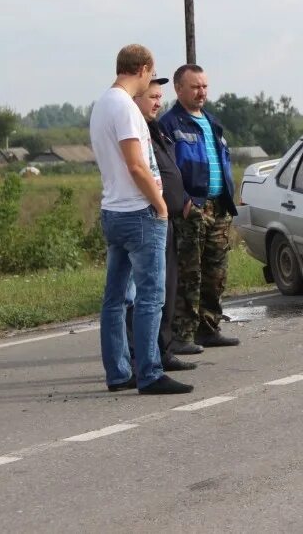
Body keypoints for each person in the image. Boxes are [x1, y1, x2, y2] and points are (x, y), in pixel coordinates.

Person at [88, 44, 193, 395]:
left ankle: (118, 372)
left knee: (115, 297)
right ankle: (149, 372)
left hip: (113, 209)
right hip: (138, 211)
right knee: (151, 295)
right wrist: (160, 204)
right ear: (145, 68)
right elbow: (136, 164)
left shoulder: (102, 105)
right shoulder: (126, 108)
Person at [159, 64, 240, 353]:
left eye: (204, 86)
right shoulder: (170, 124)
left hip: (219, 207)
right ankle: (181, 335)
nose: (201, 91)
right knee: (188, 273)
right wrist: (182, 203)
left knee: (215, 271)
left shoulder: (212, 122)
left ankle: (209, 327)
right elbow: (168, 170)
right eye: (195, 87)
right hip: (192, 209)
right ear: (179, 89)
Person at [125, 76, 197, 372]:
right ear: (136, 99)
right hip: (149, 217)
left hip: (168, 216)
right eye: (152, 96)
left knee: (166, 286)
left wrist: (182, 198)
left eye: (159, 97)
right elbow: (139, 171)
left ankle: (163, 349)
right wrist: (162, 204)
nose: (158, 102)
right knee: (147, 292)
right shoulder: (134, 131)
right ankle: (143, 354)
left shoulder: (155, 129)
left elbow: (168, 170)